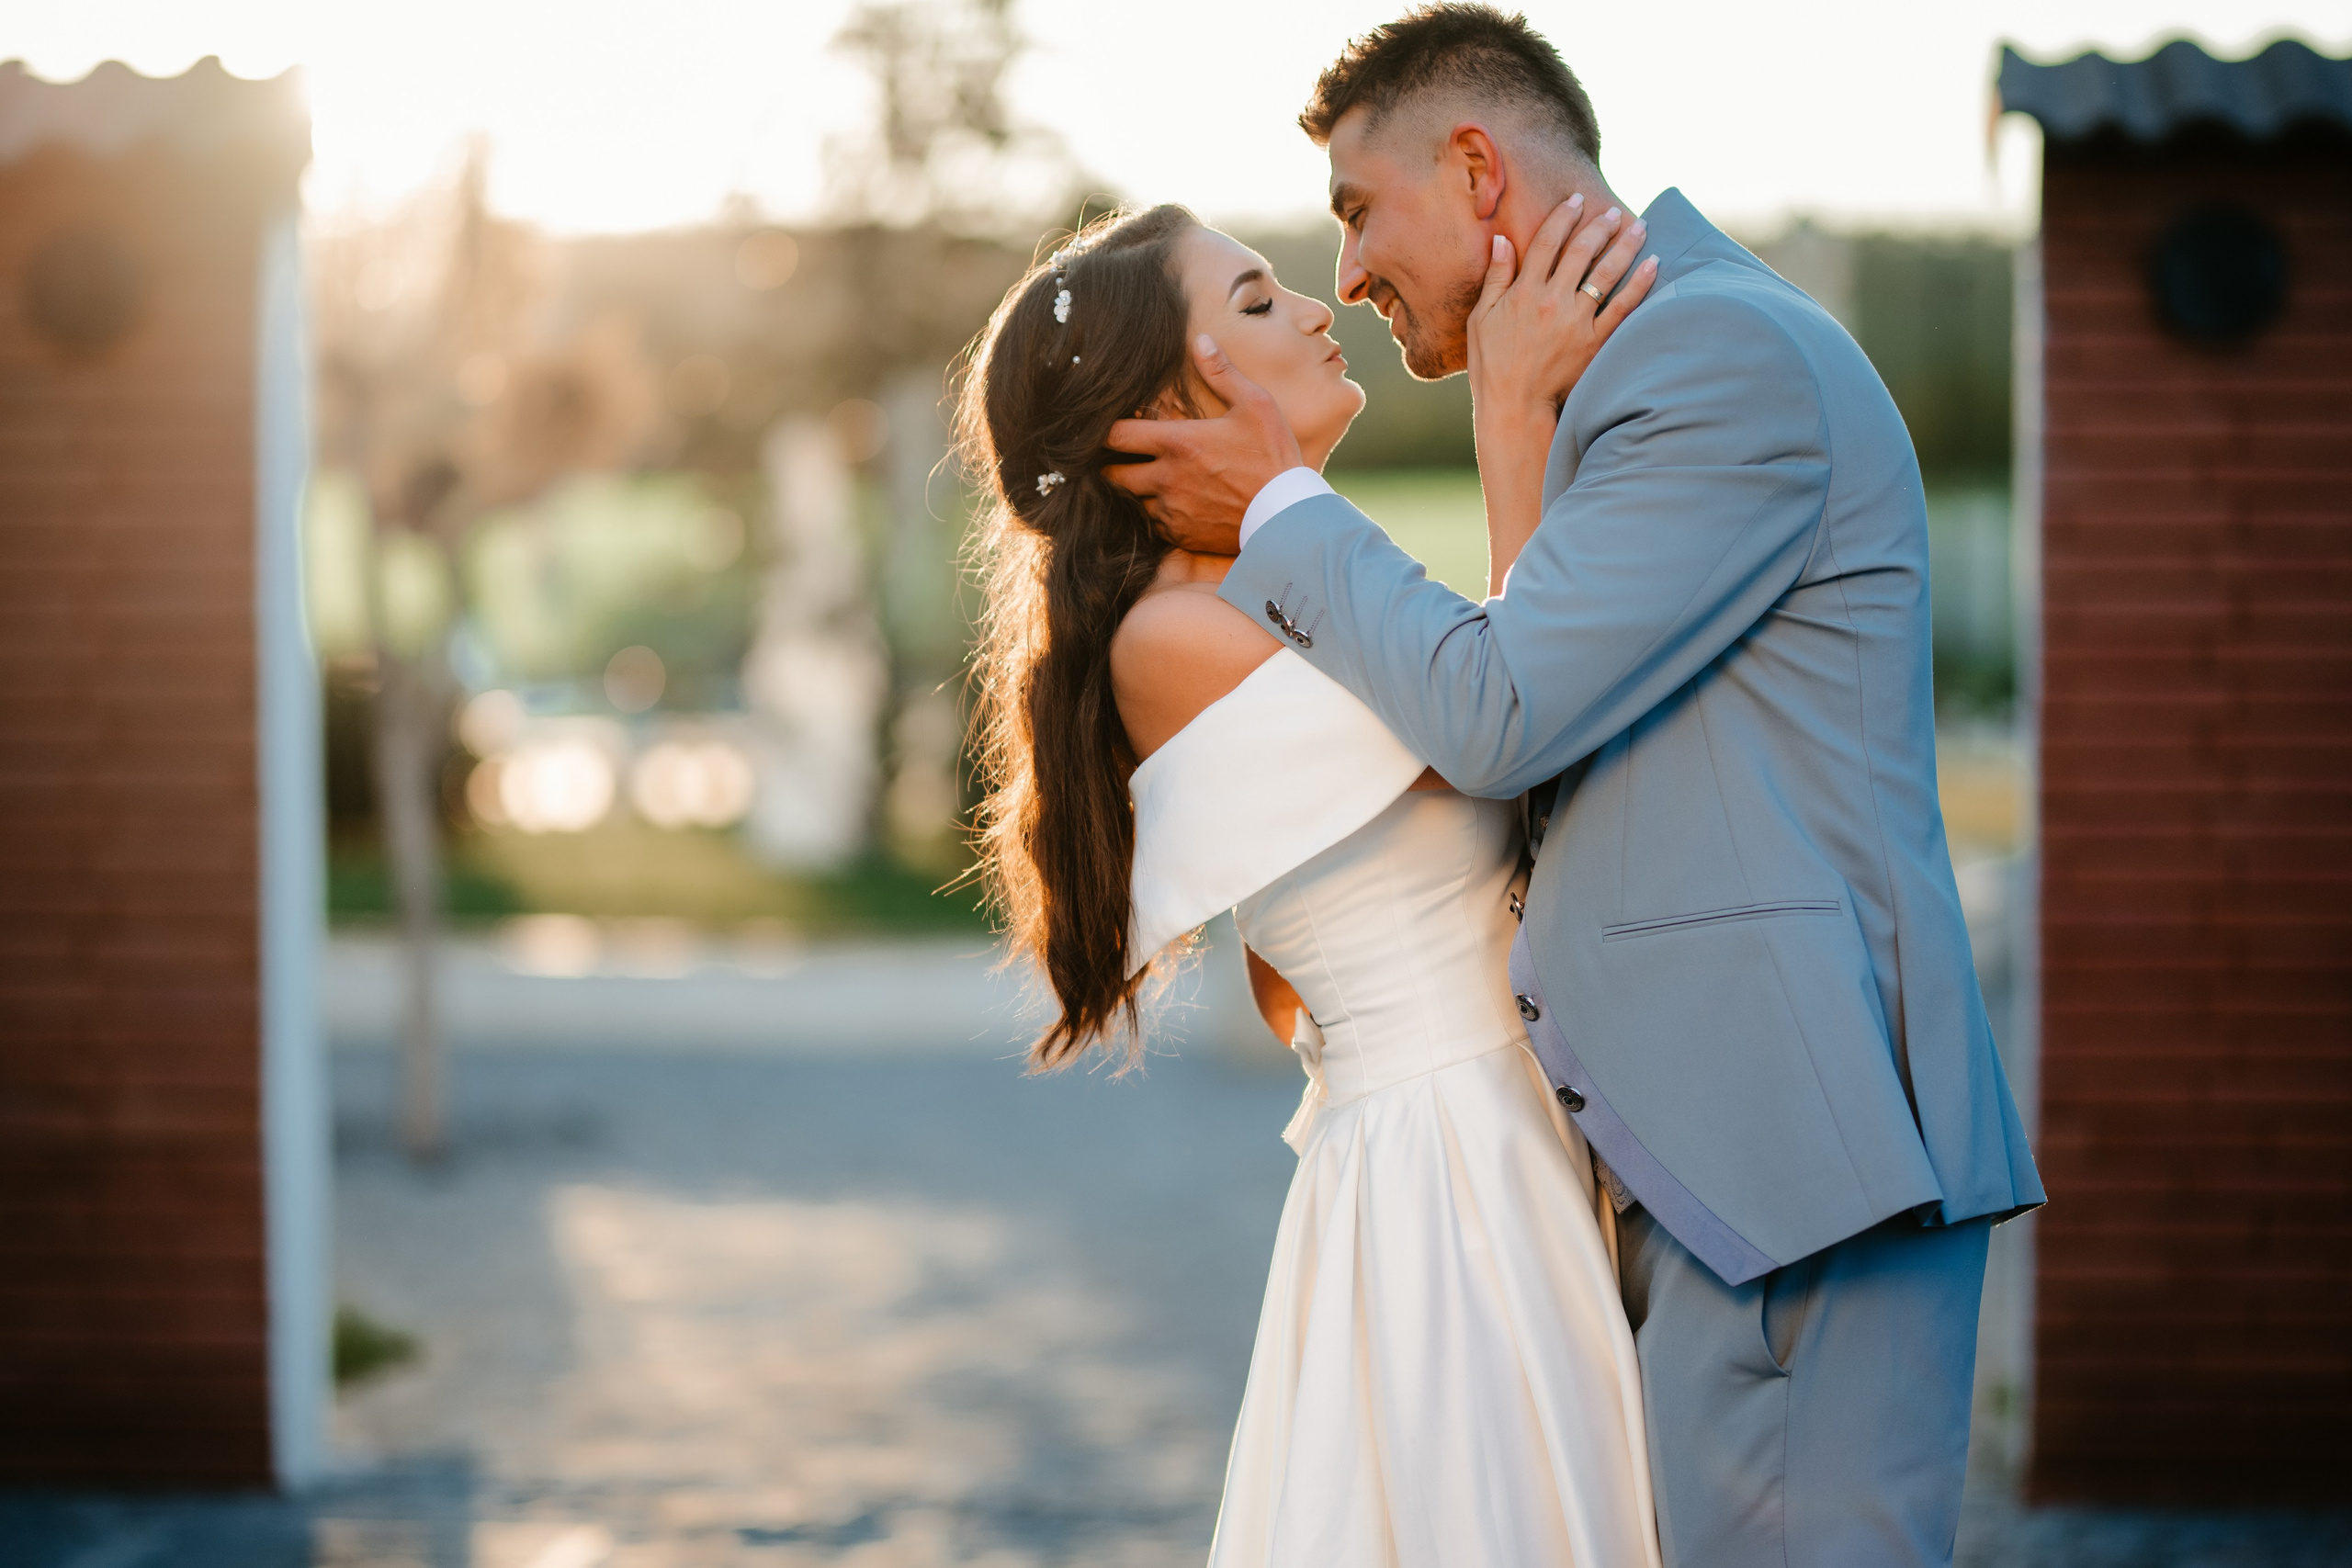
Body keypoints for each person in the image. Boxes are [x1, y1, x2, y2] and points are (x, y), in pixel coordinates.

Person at [1101, 7, 2046, 1568]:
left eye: (1359, 210)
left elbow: (1499, 714)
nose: (1349, 272)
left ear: (1477, 170)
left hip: (1794, 1163)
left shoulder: (1714, 357)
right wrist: (1516, 425)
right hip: (1700, 1168)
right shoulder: (1639, 379)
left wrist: (1282, 504)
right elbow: (1535, 746)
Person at [959, 198, 1662, 1564]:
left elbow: (1292, 975)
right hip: (1453, 1171)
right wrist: (1510, 414)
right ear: (1169, 403)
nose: (1315, 307)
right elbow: (1515, 726)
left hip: (1493, 1134)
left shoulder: (1271, 596)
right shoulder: (1174, 635)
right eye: (1258, 300)